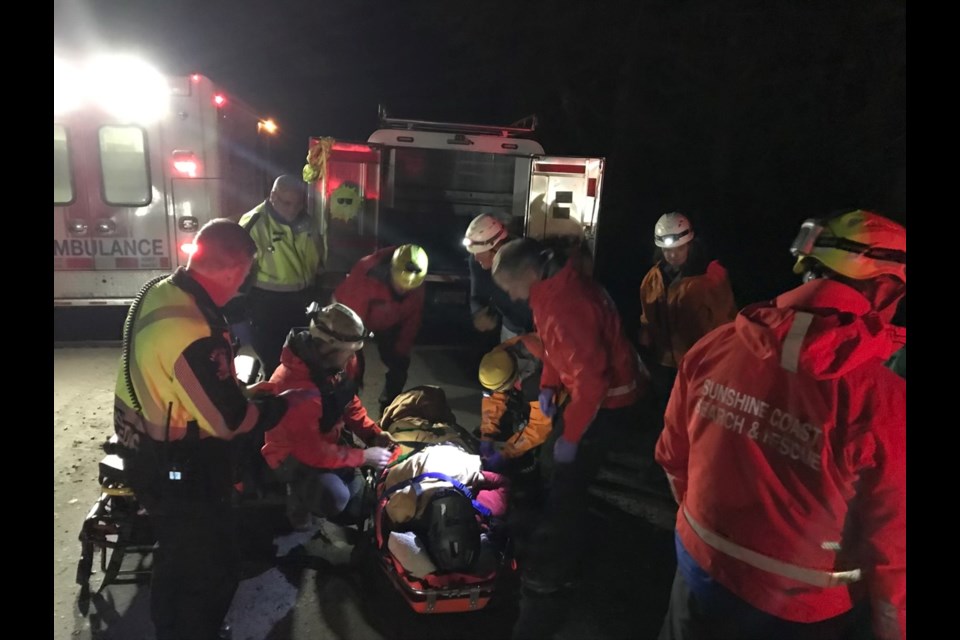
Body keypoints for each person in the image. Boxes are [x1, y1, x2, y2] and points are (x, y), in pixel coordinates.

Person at [655, 210, 906, 640]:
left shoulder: (714, 347)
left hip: (699, 573)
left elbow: (672, 456)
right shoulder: (883, 399)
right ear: (884, 286)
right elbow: (893, 547)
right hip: (800, 610)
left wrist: (705, 533)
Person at [112, 218, 319, 640]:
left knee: (174, 553)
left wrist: (239, 390)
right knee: (211, 566)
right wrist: (283, 404)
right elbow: (229, 423)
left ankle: (170, 626)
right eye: (246, 274)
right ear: (233, 269)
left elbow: (181, 382)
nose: (244, 284)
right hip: (181, 466)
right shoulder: (191, 328)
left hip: (144, 448)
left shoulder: (161, 290)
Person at [491, 237, 646, 640]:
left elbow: (593, 381)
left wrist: (573, 434)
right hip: (589, 396)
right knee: (555, 467)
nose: (509, 294)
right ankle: (565, 532)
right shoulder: (551, 290)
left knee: (567, 482)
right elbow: (558, 351)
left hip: (606, 403)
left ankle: (553, 572)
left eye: (509, 286)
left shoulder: (566, 302)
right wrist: (547, 382)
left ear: (526, 273)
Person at [261, 302, 395, 529]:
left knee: (357, 502)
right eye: (350, 352)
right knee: (336, 498)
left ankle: (323, 483)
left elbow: (347, 401)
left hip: (324, 440)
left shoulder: (329, 366)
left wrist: (373, 433)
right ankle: (295, 500)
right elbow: (312, 451)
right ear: (330, 347)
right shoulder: (296, 389)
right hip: (290, 454)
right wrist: (363, 457)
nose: (353, 357)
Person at [638, 212, 738, 410]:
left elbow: (725, 319)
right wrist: (645, 336)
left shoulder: (710, 278)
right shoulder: (653, 278)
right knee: (666, 409)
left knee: (693, 411)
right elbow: (647, 316)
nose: (673, 255)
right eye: (667, 250)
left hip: (699, 363)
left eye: (679, 248)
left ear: (690, 245)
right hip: (664, 361)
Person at [236, 174, 324, 378]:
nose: (293, 209)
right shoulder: (254, 222)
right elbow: (239, 267)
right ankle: (273, 405)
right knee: (274, 363)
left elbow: (317, 255)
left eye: (297, 203)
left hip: (302, 299)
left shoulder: (307, 221)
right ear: (273, 196)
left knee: (302, 361)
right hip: (267, 304)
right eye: (287, 203)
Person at [333, 243, 429, 413]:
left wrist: (401, 352)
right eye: (399, 285)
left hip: (387, 321)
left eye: (409, 288)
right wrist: (351, 361)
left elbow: (411, 322)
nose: (403, 290)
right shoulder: (366, 274)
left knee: (400, 364)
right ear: (391, 271)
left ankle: (389, 409)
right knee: (349, 368)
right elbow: (349, 328)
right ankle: (344, 411)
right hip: (351, 318)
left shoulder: (416, 281)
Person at [476, 333, 553, 481]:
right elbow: (493, 398)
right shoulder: (499, 357)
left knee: (551, 452)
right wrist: (487, 434)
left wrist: (508, 452)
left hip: (572, 387)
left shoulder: (536, 382)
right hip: (532, 377)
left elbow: (540, 427)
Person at [462, 213, 535, 341]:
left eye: (480, 252)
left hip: (541, 331)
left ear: (496, 247)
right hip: (510, 330)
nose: (476, 257)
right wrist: (478, 313)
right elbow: (477, 295)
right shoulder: (477, 263)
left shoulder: (524, 257)